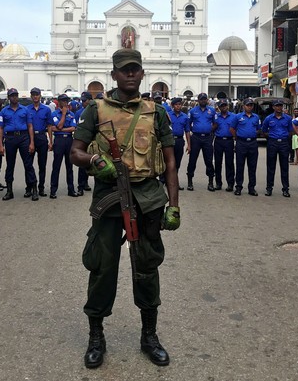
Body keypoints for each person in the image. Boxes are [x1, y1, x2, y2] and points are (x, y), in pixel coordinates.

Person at [69, 48, 179, 368]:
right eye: (124, 70)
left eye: (135, 69)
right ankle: (96, 336)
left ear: (142, 74)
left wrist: (175, 205)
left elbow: (170, 162)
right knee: (102, 266)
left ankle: (149, 335)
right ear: (113, 74)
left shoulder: (155, 111)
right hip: (108, 197)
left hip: (147, 198)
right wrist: (93, 161)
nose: (130, 74)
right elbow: (75, 152)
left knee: (146, 266)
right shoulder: (95, 109)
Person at [0, 87, 37, 201]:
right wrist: (0, 144)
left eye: (16, 95)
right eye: (12, 95)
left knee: (28, 164)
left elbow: (30, 126)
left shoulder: (25, 110)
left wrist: (32, 143)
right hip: (10, 138)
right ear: (9, 98)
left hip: (23, 137)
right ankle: (9, 191)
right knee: (10, 165)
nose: (14, 97)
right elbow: (0, 128)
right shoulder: (4, 111)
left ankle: (34, 189)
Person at [261, 99, 294, 197]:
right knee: (271, 167)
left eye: (280, 106)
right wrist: (271, 138)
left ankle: (285, 189)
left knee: (284, 167)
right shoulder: (268, 118)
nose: (279, 107)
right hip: (272, 143)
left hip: (284, 143)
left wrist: (284, 138)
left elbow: (290, 131)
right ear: (273, 107)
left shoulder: (288, 118)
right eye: (277, 106)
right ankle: (269, 188)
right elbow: (264, 131)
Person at [49, 94, 79, 198]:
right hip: (59, 141)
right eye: (63, 101)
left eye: (67, 101)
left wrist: (60, 129)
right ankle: (53, 190)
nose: (65, 103)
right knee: (56, 166)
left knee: (69, 166)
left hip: (69, 140)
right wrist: (63, 115)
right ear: (59, 102)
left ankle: (71, 189)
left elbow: (73, 128)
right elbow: (58, 126)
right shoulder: (54, 114)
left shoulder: (71, 114)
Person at [231, 97, 261, 196]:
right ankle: (238, 187)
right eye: (247, 105)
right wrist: (237, 137)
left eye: (251, 105)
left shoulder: (256, 117)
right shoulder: (238, 117)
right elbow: (232, 129)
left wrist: (251, 134)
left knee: (252, 166)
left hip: (252, 143)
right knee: (240, 166)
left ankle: (251, 188)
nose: (249, 107)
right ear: (244, 106)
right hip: (241, 143)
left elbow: (258, 129)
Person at [186, 92, 216, 191]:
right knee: (192, 160)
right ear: (198, 100)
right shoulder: (192, 111)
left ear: (207, 100)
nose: (203, 101)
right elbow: (188, 124)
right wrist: (195, 130)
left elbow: (215, 123)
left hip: (207, 138)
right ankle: (190, 182)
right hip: (196, 138)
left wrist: (209, 129)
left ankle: (211, 182)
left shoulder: (212, 111)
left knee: (209, 160)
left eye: (205, 99)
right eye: (201, 99)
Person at [27, 87, 53, 197]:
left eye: (37, 94)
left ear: (40, 96)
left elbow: (49, 126)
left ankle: (41, 188)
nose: (35, 96)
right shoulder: (26, 109)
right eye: (33, 95)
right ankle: (29, 187)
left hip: (42, 137)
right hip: (30, 138)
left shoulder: (46, 110)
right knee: (28, 164)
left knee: (42, 165)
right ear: (31, 96)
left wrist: (50, 141)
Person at [212, 99, 236, 191]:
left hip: (229, 141)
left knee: (229, 163)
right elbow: (213, 128)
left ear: (228, 106)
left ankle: (230, 184)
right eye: (221, 106)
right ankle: (218, 183)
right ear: (219, 107)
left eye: (225, 105)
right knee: (218, 163)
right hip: (218, 141)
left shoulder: (234, 117)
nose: (224, 107)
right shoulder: (216, 117)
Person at [167, 97, 190, 190]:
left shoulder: (185, 117)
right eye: (176, 105)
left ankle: (175, 182)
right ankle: (166, 181)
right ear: (173, 106)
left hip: (179, 141)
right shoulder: (168, 115)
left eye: (179, 104)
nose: (178, 106)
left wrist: (189, 144)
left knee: (177, 163)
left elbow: (187, 131)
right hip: (169, 141)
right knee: (168, 162)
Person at [75, 91, 93, 195]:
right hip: (83, 140)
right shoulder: (79, 112)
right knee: (82, 163)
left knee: (92, 163)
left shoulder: (95, 111)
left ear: (90, 100)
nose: (83, 103)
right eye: (82, 101)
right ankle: (81, 186)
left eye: (84, 101)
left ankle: (86, 183)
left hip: (93, 141)